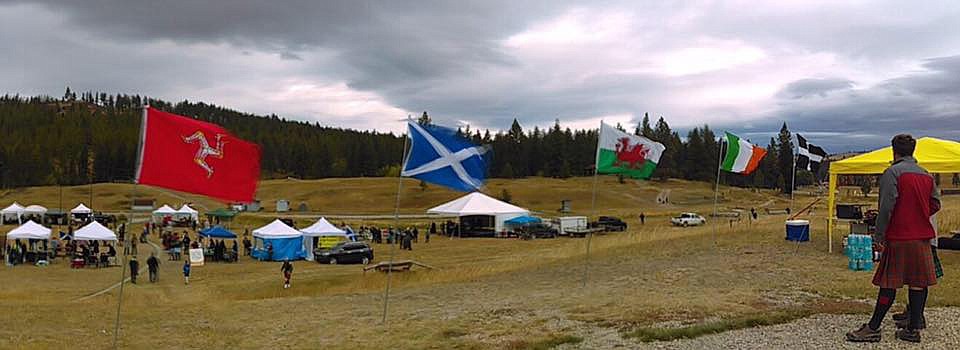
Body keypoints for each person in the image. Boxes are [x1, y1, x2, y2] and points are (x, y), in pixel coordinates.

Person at [847, 134, 940, 343]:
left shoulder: (892, 173)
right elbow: (935, 203)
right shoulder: (926, 175)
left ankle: (873, 328)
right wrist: (919, 214)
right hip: (922, 237)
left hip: (899, 236)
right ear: (913, 151)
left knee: (889, 282)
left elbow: (886, 207)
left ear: (894, 151)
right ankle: (913, 330)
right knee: (918, 283)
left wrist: (879, 236)